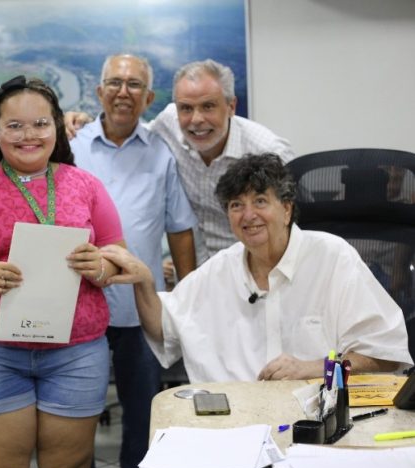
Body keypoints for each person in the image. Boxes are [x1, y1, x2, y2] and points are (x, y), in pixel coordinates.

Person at [0, 76, 124, 468]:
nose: (29, 135)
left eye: (40, 124)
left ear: (57, 127)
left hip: (76, 352)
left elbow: (118, 258)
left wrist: (100, 266)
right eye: (15, 126)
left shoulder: (86, 186)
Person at [101, 153, 413, 383]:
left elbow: (384, 355)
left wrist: (314, 368)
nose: (248, 215)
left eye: (260, 201)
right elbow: (165, 328)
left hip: (317, 416)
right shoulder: (219, 269)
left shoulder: (333, 258)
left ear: (287, 209)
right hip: (238, 420)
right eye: (236, 205)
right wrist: (144, 281)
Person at [69, 53, 197, 468]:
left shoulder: (162, 154)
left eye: (134, 85)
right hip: (78, 306)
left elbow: (179, 229)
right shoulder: (71, 147)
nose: (123, 92)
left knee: (143, 416)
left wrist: (185, 300)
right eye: (115, 83)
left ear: (149, 98)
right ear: (99, 91)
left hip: (140, 309)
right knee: (76, 415)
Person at [67, 59, 295, 265]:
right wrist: (84, 124)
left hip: (254, 266)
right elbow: (126, 130)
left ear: (231, 107)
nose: (196, 119)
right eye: (186, 108)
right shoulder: (168, 125)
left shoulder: (269, 152)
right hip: (201, 273)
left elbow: (291, 225)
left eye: (208, 106)